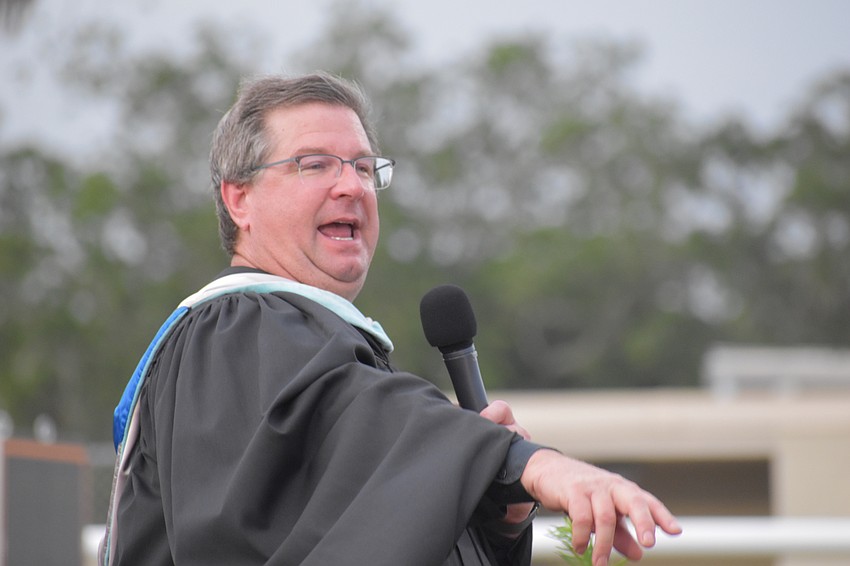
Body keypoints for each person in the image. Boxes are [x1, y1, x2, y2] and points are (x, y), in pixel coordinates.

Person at [100, 72, 680, 566]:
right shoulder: (234, 326)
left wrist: (494, 510)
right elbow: (354, 414)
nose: (352, 185)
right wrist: (522, 460)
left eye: (362, 166)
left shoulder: (303, 340)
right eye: (314, 164)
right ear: (239, 199)